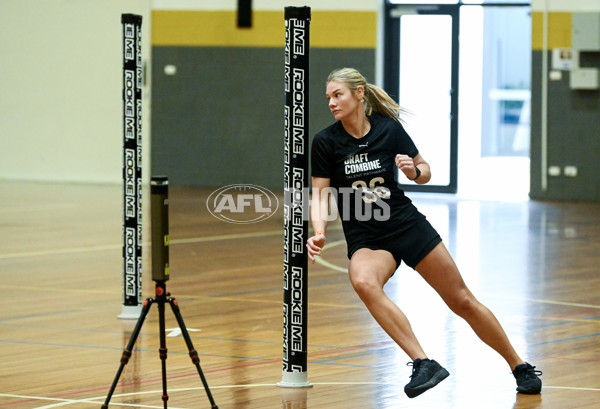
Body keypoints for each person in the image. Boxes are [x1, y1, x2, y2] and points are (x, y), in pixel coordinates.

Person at [306, 67, 542, 398]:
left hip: (406, 224)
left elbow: (425, 171)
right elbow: (319, 195)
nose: (331, 102)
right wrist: (318, 231)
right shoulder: (326, 141)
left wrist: (414, 171)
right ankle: (423, 363)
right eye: (328, 97)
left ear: (359, 93)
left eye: (337, 94)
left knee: (461, 300)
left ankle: (519, 365)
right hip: (367, 238)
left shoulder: (388, 129)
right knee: (362, 281)